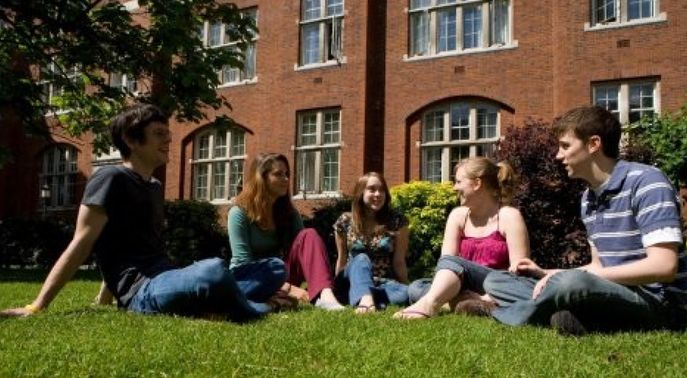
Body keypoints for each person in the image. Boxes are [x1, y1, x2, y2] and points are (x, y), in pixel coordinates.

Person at [1, 103, 276, 321]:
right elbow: (83, 243)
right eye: (158, 134)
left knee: (274, 268)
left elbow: (131, 242)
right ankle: (257, 308)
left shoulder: (154, 187)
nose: (168, 139)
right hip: (142, 292)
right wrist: (37, 305)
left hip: (166, 276)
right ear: (131, 140)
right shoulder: (109, 178)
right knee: (214, 270)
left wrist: (104, 298)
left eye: (167, 134)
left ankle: (220, 303)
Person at [483, 106, 687, 335]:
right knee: (497, 281)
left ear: (593, 144)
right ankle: (572, 314)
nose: (558, 155)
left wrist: (570, 278)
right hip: (611, 289)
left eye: (566, 146)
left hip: (658, 302)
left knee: (572, 285)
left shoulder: (648, 182)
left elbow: (664, 266)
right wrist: (549, 273)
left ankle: (503, 312)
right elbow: (598, 266)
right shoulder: (588, 198)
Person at [394, 157, 530, 319]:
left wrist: (489, 294)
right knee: (416, 287)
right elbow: (444, 265)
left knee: (451, 263)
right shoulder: (458, 215)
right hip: (461, 285)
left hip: (495, 284)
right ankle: (468, 303)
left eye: (458, 182)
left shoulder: (509, 216)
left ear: (477, 184)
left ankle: (430, 305)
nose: (454, 188)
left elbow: (519, 273)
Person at [228, 153, 344, 311]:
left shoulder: (289, 213)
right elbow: (243, 264)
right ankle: (276, 297)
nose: (286, 179)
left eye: (287, 174)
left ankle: (325, 295)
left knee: (308, 235)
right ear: (261, 178)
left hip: (281, 275)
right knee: (274, 271)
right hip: (250, 278)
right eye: (278, 174)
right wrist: (289, 288)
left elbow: (304, 251)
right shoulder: (238, 213)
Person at [333, 172, 410, 314]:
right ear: (361, 193)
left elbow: (399, 261)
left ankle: (368, 298)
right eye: (372, 189)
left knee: (409, 293)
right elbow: (342, 259)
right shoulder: (344, 222)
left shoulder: (397, 222)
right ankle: (366, 299)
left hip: (383, 283)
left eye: (382, 190)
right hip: (352, 282)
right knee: (361, 259)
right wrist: (336, 289)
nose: (378, 194)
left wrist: (406, 286)